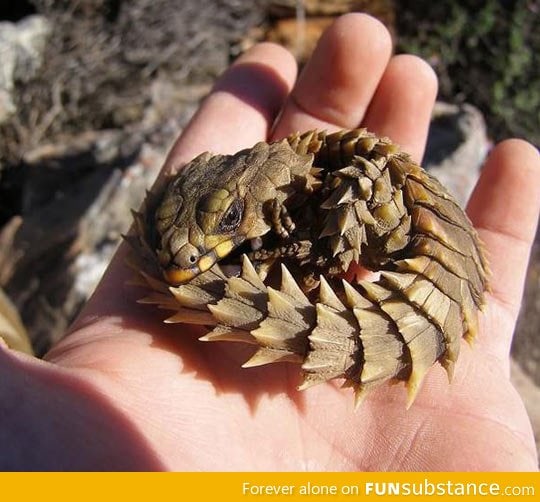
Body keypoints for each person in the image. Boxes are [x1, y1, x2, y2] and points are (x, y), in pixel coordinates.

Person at [1, 14, 539, 471]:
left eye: (234, 217)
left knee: (357, 190)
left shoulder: (321, 177)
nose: (192, 257)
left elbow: (352, 204)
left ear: (265, 196)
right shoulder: (274, 187)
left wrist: (302, 255)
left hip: (434, 281)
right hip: (427, 286)